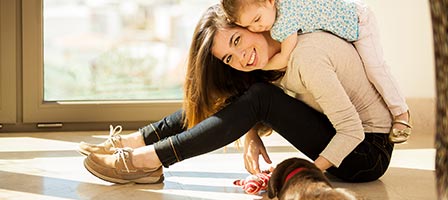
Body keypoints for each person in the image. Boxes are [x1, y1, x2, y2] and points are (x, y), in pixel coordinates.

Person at [80, 4, 394, 185]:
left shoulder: (306, 56)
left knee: (258, 97)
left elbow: (351, 130)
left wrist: (301, 173)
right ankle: (138, 141)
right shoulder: (274, 57)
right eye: (230, 57)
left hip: (367, 153)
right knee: (249, 94)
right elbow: (248, 103)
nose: (242, 56)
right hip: (350, 139)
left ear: (252, 23)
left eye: (236, 41)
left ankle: (147, 160)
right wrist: (251, 134)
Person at [220, 0, 412, 143]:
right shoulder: (276, 13)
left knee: (375, 69)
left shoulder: (284, 22)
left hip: (360, 22)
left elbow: (285, 57)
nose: (257, 28)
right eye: (249, 26)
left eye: (257, 19)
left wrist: (260, 66)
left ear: (269, 1)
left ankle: (401, 113)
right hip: (347, 27)